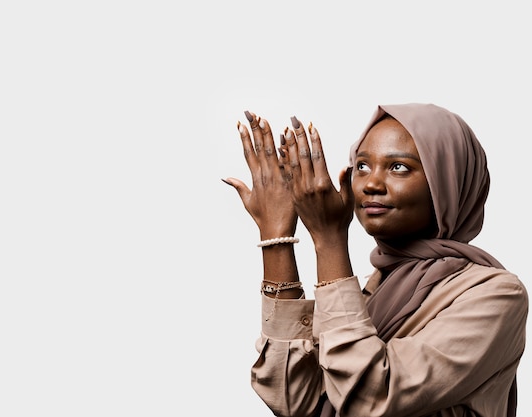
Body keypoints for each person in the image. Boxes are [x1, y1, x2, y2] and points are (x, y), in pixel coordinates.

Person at [222, 103, 528, 417]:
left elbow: (372, 398)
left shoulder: (495, 295)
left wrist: (329, 240)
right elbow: (292, 399)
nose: (371, 184)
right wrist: (276, 237)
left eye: (398, 167)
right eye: (363, 166)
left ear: (449, 184)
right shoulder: (372, 291)